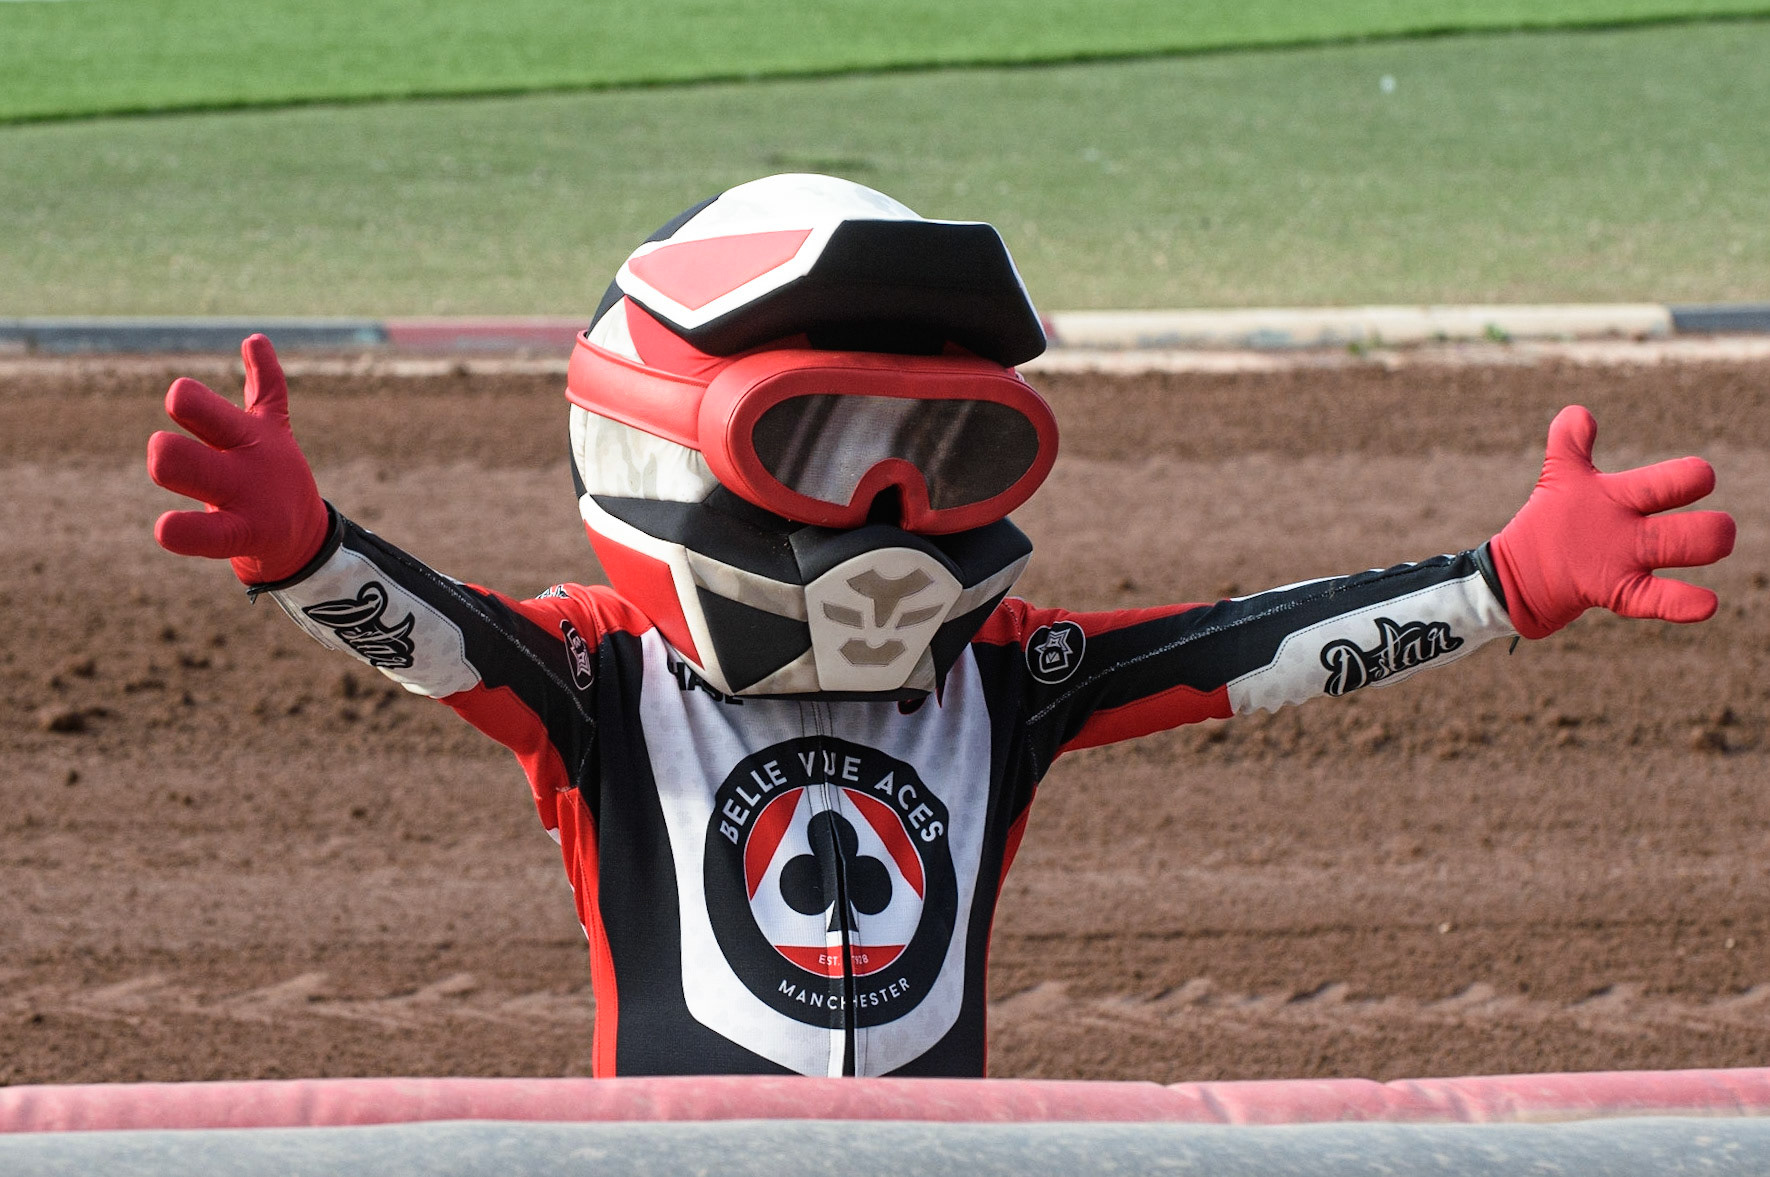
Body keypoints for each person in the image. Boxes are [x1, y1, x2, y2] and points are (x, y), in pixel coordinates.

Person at [146, 174, 1735, 1078]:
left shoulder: (1001, 677)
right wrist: (307, 554)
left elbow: (1247, 651)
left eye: (954, 445)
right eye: (824, 443)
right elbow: (428, 634)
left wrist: (1499, 583)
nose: (898, 505)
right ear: (668, 438)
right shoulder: (602, 679)